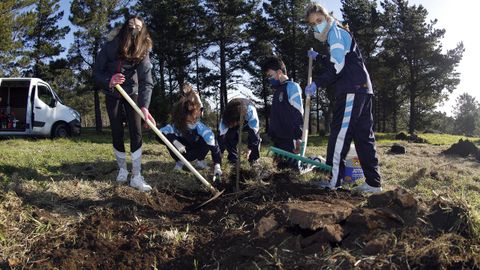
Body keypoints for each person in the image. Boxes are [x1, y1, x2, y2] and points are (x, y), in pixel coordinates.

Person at [304, 3, 382, 193]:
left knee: (339, 136)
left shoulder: (335, 33)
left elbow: (337, 66)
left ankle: (333, 181)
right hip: (363, 89)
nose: (317, 26)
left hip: (351, 91)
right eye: (313, 24)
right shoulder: (338, 33)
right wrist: (319, 57)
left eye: (319, 20)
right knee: (364, 137)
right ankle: (373, 183)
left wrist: (318, 83)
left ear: (327, 17)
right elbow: (341, 59)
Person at [93, 15, 155, 192]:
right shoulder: (110, 46)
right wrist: (109, 80)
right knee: (117, 130)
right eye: (131, 25)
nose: (134, 29)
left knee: (136, 131)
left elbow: (146, 80)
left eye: (138, 27)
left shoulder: (143, 50)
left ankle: (136, 175)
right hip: (112, 92)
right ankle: (122, 169)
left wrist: (144, 105)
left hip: (132, 92)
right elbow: (97, 72)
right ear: (124, 29)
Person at [158, 88, 222, 177]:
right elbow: (160, 134)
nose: (193, 121)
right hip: (181, 152)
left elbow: (214, 145)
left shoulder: (200, 127)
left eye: (195, 118)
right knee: (169, 138)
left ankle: (200, 161)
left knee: (207, 139)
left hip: (196, 151)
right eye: (190, 117)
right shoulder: (175, 126)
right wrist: (175, 142)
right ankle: (179, 162)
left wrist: (217, 166)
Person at [261, 56, 304, 168]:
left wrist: (299, 137)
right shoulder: (277, 91)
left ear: (279, 72)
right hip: (278, 139)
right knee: (279, 172)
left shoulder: (292, 87)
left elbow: (298, 113)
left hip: (290, 138)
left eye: (270, 75)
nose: (269, 79)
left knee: (291, 171)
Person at [218, 98, 261, 165]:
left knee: (255, 138)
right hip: (234, 117)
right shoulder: (225, 119)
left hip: (245, 116)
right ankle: (233, 160)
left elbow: (254, 133)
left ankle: (254, 160)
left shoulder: (251, 113)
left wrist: (250, 148)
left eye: (233, 124)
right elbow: (222, 136)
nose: (231, 126)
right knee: (229, 136)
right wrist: (220, 152)